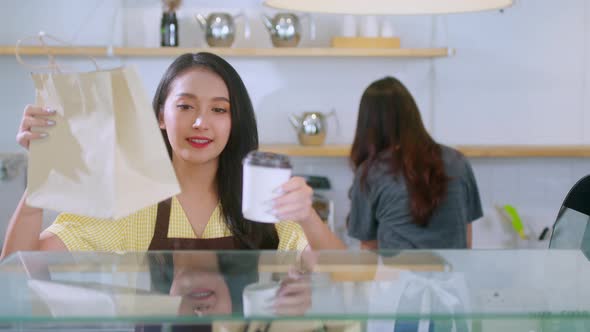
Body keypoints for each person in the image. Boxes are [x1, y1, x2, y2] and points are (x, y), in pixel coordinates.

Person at [1, 52, 345, 258]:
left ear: (234, 122)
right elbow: (18, 270)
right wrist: (43, 175)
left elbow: (343, 282)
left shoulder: (261, 200)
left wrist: (307, 217)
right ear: (160, 117)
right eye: (185, 106)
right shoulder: (129, 199)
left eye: (219, 110)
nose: (200, 122)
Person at [347, 76, 483, 250]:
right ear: (412, 115)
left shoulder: (371, 172)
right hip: (454, 275)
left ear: (367, 125)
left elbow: (369, 251)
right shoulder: (459, 162)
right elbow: (467, 240)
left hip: (400, 277)